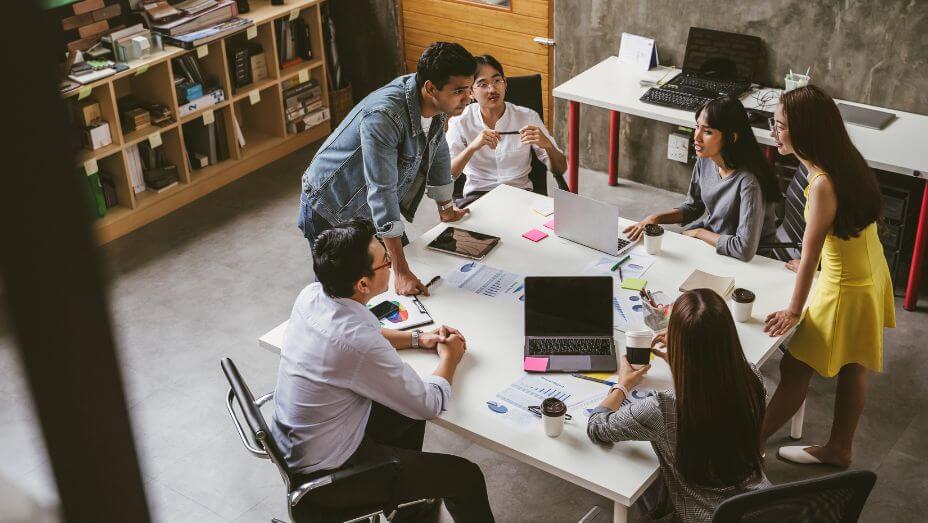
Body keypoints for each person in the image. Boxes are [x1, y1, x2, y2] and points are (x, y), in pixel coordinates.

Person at [272, 219, 494, 522]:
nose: (391, 264)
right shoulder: (356, 343)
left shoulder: (313, 296)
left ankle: (409, 509)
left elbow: (367, 336)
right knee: (465, 477)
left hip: (304, 441)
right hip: (331, 475)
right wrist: (450, 357)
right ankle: (405, 502)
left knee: (405, 410)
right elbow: (427, 405)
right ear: (362, 284)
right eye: (385, 261)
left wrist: (420, 338)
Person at [761, 85, 895, 467]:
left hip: (845, 287)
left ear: (804, 131)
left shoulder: (820, 183)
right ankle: (839, 449)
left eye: (781, 125)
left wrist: (792, 309)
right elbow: (839, 236)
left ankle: (748, 446)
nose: (775, 132)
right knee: (855, 363)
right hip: (870, 274)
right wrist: (816, 267)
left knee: (794, 367)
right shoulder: (847, 160)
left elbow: (810, 253)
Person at [298, 42, 476, 296]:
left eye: (469, 88)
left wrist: (446, 208)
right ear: (430, 88)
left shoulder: (436, 102)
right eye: (459, 90)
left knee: (399, 276)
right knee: (342, 298)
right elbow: (382, 191)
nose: (468, 97)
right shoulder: (384, 116)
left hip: (368, 208)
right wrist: (401, 271)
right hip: (331, 206)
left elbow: (437, 148)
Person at [587, 289, 769, 522]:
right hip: (759, 507)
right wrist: (683, 358)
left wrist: (622, 385)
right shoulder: (752, 377)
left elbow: (598, 426)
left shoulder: (663, 408)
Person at [624, 96, 780, 261]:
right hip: (715, 242)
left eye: (707, 132)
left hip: (750, 261)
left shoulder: (749, 182)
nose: (696, 137)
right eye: (697, 127)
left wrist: (699, 233)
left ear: (731, 138)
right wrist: (655, 218)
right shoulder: (706, 158)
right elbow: (694, 207)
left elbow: (744, 249)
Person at [446, 54, 566, 207]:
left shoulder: (527, 116)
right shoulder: (459, 122)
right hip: (478, 199)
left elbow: (561, 169)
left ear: (505, 84)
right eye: (483, 84)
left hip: (521, 196)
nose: (492, 89)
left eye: (497, 81)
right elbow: (447, 175)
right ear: (470, 92)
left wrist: (548, 145)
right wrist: (472, 147)